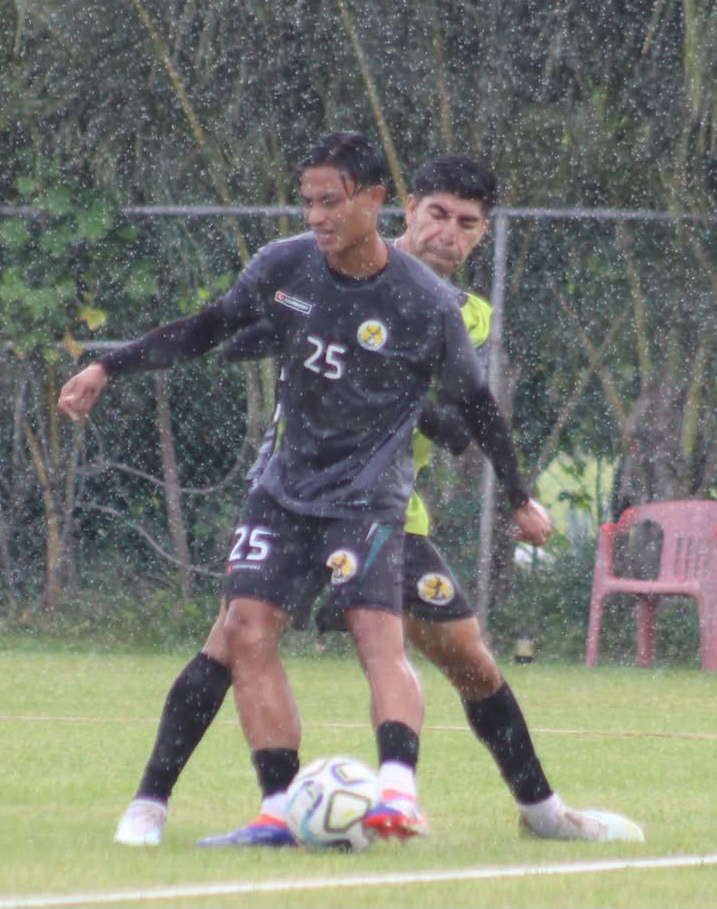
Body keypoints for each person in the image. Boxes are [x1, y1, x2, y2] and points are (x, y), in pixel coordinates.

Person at [103, 151, 642, 849]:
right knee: (234, 636)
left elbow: (459, 422)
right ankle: (156, 801)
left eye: (468, 224)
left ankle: (544, 813)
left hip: (386, 509)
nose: (449, 233)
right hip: (298, 491)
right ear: (406, 207)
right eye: (438, 214)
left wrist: (394, 392)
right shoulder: (332, 265)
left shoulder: (464, 314)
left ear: (483, 234)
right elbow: (262, 333)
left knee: (469, 658)